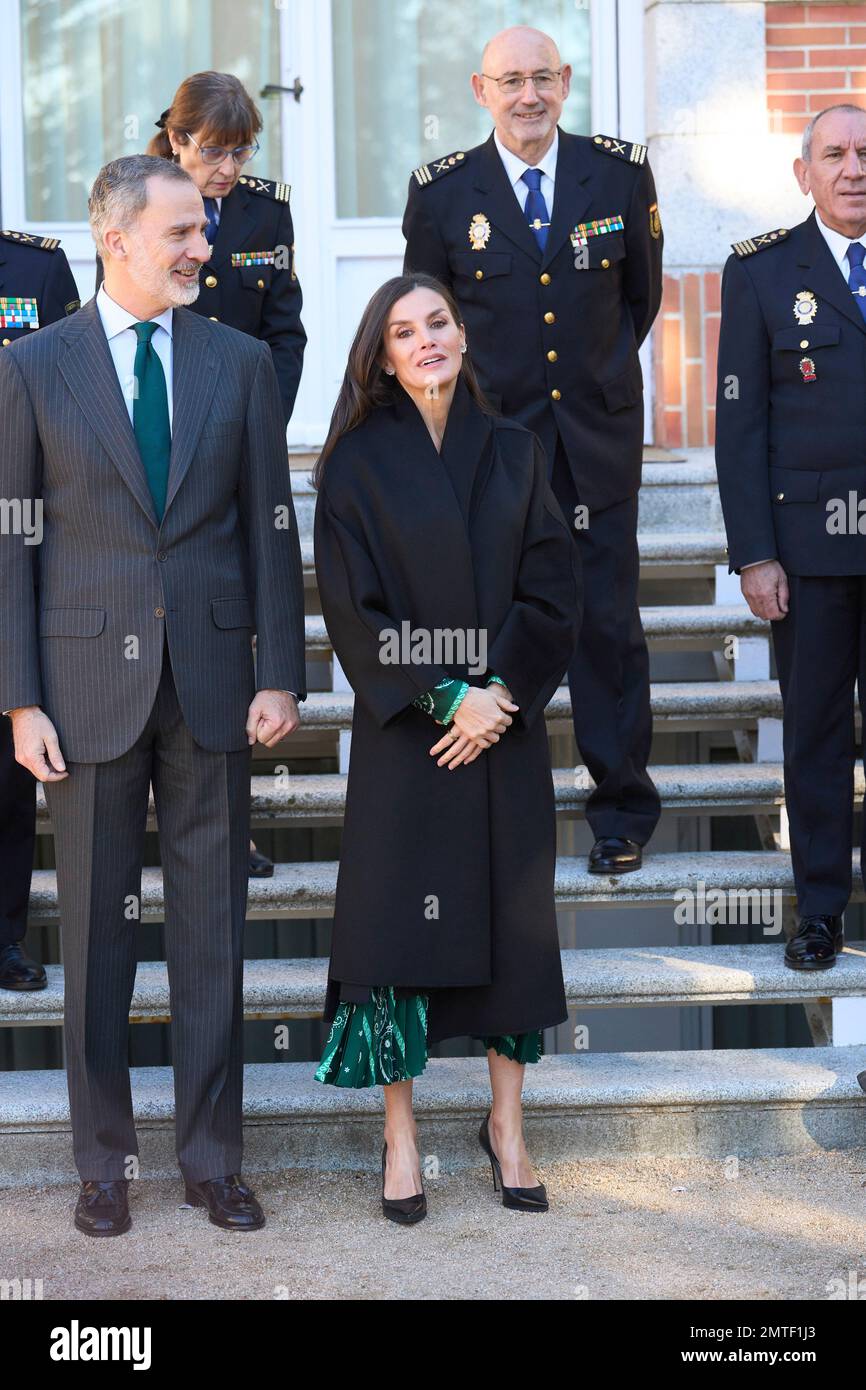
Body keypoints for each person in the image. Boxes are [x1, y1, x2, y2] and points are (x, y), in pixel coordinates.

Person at [0, 154, 306, 1235]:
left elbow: (272, 521)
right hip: (81, 688)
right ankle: (101, 1163)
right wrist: (18, 697)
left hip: (217, 680)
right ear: (115, 236)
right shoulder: (36, 366)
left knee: (211, 932)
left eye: (204, 232)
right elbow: (12, 539)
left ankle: (212, 1157)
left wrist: (281, 669)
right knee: (93, 938)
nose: (202, 249)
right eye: (181, 231)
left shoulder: (240, 362)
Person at [312, 272, 580, 1223]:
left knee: (513, 932)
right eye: (402, 331)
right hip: (409, 738)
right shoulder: (351, 465)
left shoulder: (517, 449)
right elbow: (354, 611)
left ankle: (507, 1127)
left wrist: (496, 694)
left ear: (462, 336)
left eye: (438, 323)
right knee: (393, 935)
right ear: (381, 356)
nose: (425, 340)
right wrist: (444, 695)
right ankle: (402, 1136)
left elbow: (553, 590)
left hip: (502, 733)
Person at [402, 24, 663, 875]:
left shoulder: (618, 174)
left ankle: (620, 809)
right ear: (481, 92)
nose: (529, 95)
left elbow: (639, 301)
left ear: (566, 81)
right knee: (494, 623)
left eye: (543, 78)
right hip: (496, 449)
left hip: (595, 441)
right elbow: (427, 322)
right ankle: (487, 807)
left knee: (606, 627)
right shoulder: (443, 193)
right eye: (510, 80)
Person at [96, 69, 306, 876]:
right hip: (162, 453)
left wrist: (260, 427)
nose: (227, 168)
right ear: (176, 140)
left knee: (234, 623)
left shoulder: (267, 211)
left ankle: (229, 820)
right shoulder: (140, 203)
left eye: (241, 150)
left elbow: (285, 333)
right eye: (213, 150)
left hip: (237, 442)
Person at [715, 103, 866, 972]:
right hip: (807, 553)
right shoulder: (764, 273)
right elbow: (741, 423)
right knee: (813, 732)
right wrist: (754, 552)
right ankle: (818, 911)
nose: (853, 168)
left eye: (863, 154)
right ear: (802, 171)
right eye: (835, 154)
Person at [0, 229, 80, 991]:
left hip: (17, 525)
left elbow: (71, 389)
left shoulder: (37, 266)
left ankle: (4, 936)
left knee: (5, 759)